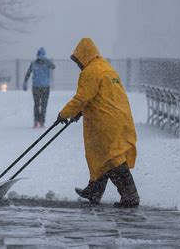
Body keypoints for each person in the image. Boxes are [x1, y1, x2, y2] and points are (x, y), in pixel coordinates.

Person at [56, 38, 140, 208]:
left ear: (84, 56)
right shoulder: (106, 68)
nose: (79, 64)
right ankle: (94, 190)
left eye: (78, 60)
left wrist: (64, 114)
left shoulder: (91, 71)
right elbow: (99, 95)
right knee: (103, 155)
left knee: (112, 158)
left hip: (106, 120)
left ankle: (130, 195)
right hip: (119, 117)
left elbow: (82, 98)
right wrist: (80, 112)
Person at [23, 47, 55, 128]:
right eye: (40, 55)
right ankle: (37, 121)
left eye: (42, 55)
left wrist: (48, 60)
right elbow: (28, 73)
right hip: (38, 87)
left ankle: (41, 121)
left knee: (42, 105)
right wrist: (25, 82)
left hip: (44, 86)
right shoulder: (33, 63)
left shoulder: (47, 62)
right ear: (37, 55)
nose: (41, 57)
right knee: (38, 104)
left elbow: (53, 66)